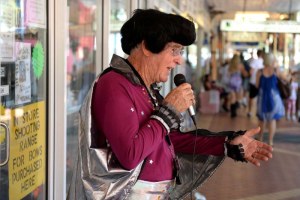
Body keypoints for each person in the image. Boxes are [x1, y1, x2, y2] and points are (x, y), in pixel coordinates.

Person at [68, 9, 273, 200]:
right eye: (174, 50)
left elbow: (169, 139)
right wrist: (170, 111)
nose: (178, 61)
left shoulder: (145, 88)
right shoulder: (114, 84)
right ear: (147, 46)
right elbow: (130, 154)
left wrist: (227, 143)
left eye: (180, 52)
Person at [256, 53, 285, 146]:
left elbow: (257, 85)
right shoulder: (276, 70)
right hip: (274, 97)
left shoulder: (259, 72)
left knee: (262, 119)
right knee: (272, 120)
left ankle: (260, 138)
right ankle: (270, 141)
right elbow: (285, 79)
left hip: (262, 96)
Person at [248, 49, 264, 117]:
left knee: (251, 97)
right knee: (260, 97)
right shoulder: (264, 62)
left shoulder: (254, 61)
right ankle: (259, 111)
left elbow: (251, 72)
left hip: (253, 81)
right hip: (261, 82)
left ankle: (250, 111)